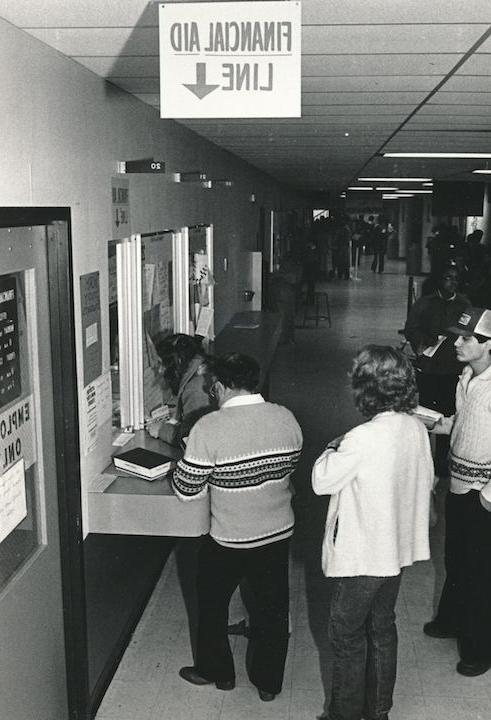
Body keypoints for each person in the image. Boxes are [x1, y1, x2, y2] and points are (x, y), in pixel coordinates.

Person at [171, 353, 303, 701]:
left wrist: (184, 461)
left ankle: (218, 674)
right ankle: (269, 684)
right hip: (277, 532)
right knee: (273, 610)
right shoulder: (286, 418)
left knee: (212, 605)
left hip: (229, 537)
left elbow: (186, 490)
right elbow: (288, 467)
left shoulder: (209, 427)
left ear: (217, 386)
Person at [312, 345, 433, 720]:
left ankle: (344, 715)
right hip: (395, 551)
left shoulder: (362, 438)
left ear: (365, 388)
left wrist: (330, 448)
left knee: (345, 634)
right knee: (382, 628)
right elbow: (427, 480)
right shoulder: (415, 428)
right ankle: (378, 711)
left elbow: (321, 480)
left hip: (363, 555)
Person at [423, 308, 491, 678]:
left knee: (481, 569)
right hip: (460, 483)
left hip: (483, 492)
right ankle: (451, 619)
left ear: (489, 345)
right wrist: (430, 422)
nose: (458, 343)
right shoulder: (466, 377)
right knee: (456, 556)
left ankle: (480, 647)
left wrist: (488, 495)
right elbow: (461, 424)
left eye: (467, 338)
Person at [404, 266, 470, 477]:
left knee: (447, 414)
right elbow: (411, 328)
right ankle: (421, 457)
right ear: (440, 280)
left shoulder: (464, 305)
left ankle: (442, 460)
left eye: (456, 278)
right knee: (425, 414)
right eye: (448, 277)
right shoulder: (425, 303)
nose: (452, 282)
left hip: (452, 370)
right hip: (429, 369)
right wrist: (422, 342)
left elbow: (470, 333)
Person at [146, 333, 212, 445]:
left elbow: (193, 439)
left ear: (179, 361)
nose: (160, 371)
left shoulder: (195, 388)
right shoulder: (203, 367)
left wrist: (161, 430)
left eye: (163, 364)